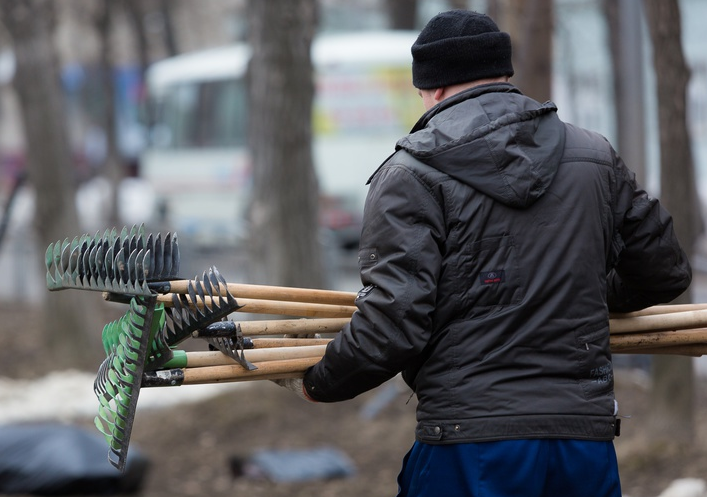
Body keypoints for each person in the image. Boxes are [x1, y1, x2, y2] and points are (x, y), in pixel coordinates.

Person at [275, 9, 692, 497]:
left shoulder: (410, 175)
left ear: (432, 89)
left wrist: (317, 382)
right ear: (504, 74)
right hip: (583, 445)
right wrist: (579, 293)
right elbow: (664, 272)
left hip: (468, 446)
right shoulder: (595, 156)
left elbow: (392, 324)